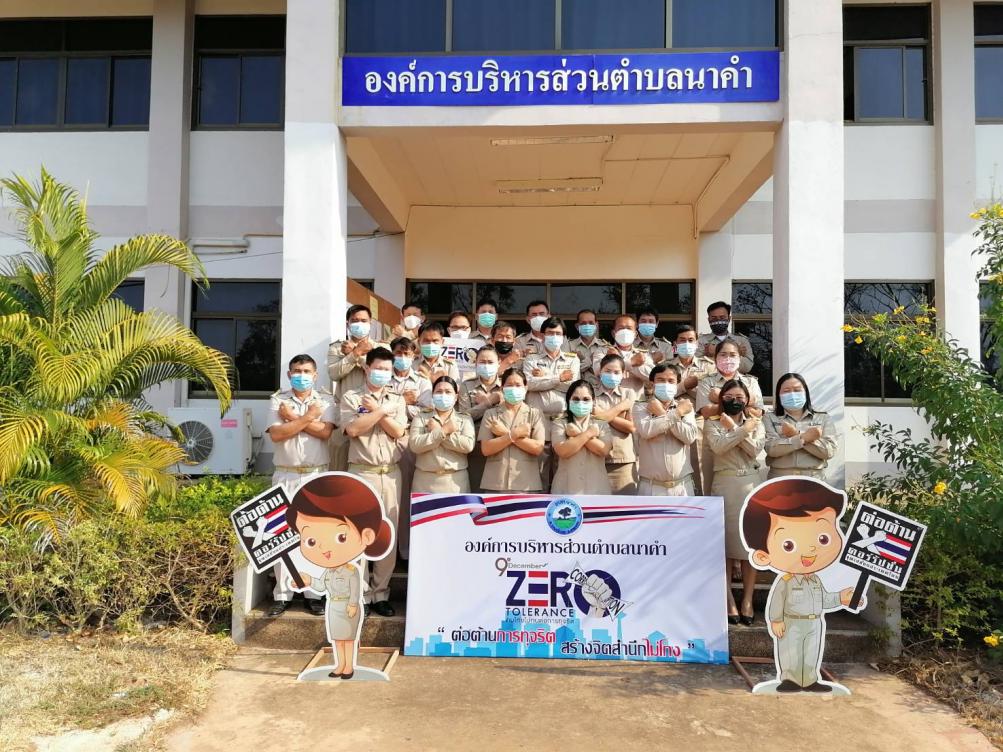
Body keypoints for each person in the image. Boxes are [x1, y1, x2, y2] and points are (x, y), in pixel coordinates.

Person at [742, 478, 861, 692]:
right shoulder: (786, 581)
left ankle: (810, 680)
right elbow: (777, 601)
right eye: (788, 545)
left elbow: (824, 599)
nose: (810, 550)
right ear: (762, 556)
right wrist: (776, 620)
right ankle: (790, 679)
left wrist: (841, 597)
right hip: (792, 623)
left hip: (814, 622)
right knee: (791, 652)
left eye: (823, 538)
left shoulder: (815, 580)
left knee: (811, 652)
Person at [284, 473, 394, 680]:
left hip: (347, 607)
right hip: (333, 607)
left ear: (367, 536)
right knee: (338, 639)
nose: (324, 547)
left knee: (349, 639)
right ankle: (340, 665)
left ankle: (348, 666)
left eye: (341, 537)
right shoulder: (330, 571)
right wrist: (308, 580)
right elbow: (321, 584)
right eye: (310, 541)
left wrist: (353, 603)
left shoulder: (351, 571)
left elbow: (355, 589)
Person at [265, 354, 337, 617]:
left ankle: (313, 594)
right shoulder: (278, 400)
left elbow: (325, 432)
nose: (301, 375)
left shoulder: (325, 399)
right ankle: (282, 594)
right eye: (297, 371)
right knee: (283, 535)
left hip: (316, 475)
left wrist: (293, 418)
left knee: (315, 535)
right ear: (289, 374)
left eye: (306, 371)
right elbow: (277, 434)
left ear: (315, 375)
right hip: (285, 474)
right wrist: (309, 418)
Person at [339, 347, 407, 617]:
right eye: (378, 368)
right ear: (367, 368)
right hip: (361, 472)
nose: (382, 373)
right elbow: (353, 429)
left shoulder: (396, 399)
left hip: (390, 473)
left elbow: (398, 431)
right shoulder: (351, 396)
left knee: (386, 533)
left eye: (387, 370)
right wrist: (381, 413)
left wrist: (377, 410)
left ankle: (381, 593)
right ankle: (361, 594)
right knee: (359, 535)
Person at [705, 379, 766, 627]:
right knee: (726, 546)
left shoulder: (757, 422)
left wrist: (737, 429)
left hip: (751, 485)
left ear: (747, 400)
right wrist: (739, 429)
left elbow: (754, 450)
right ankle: (728, 598)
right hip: (725, 484)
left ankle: (748, 599)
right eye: (729, 397)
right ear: (721, 399)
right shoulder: (712, 423)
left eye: (740, 397)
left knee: (749, 546)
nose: (735, 401)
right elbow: (719, 447)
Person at [695, 338, 764, 495]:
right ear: (715, 358)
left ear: (740, 358)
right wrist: (743, 401)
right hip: (717, 438)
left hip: (747, 436)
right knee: (712, 489)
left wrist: (719, 397)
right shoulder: (707, 382)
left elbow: (757, 412)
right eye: (723, 354)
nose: (728, 359)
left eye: (733, 355)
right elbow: (706, 412)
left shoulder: (750, 382)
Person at [327, 304, 388, 471]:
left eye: (363, 320)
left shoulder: (382, 348)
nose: (359, 324)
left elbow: (384, 373)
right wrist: (354, 354)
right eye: (354, 320)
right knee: (339, 467)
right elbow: (334, 374)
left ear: (371, 323)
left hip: (374, 412)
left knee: (369, 465)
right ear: (347, 323)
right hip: (345, 414)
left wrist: (357, 353)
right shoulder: (337, 347)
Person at [524, 316, 580, 491]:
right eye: (549, 333)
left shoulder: (572, 359)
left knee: (562, 468)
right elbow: (530, 384)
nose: (554, 336)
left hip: (562, 420)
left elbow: (573, 387)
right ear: (542, 335)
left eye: (558, 333)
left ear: (564, 337)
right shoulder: (531, 359)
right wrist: (558, 378)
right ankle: (537, 503)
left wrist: (545, 376)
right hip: (537, 420)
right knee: (538, 468)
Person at [388, 336, 431, 561]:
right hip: (382, 441)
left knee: (405, 499)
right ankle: (384, 551)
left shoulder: (422, 381)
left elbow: (426, 413)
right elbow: (374, 408)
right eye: (398, 353)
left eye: (407, 354)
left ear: (414, 356)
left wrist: (395, 405)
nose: (402, 357)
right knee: (387, 500)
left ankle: (404, 552)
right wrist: (404, 402)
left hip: (407, 440)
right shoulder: (382, 377)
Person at [633, 363, 700, 496]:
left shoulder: (685, 407)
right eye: (661, 380)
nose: (666, 384)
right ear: (652, 383)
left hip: (682, 486)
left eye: (671, 381)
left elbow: (689, 437)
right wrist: (677, 414)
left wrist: (662, 413)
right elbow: (646, 431)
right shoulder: (641, 407)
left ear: (677, 384)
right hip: (651, 487)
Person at [478, 368, 545, 492]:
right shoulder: (491, 414)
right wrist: (516, 434)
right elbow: (486, 449)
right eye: (509, 385)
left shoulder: (535, 414)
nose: (514, 389)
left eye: (518, 385)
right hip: (496, 483)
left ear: (525, 388)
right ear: (502, 388)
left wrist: (504, 433)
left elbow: (537, 448)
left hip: (526, 483)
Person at [409, 376, 476, 493]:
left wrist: (437, 431)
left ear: (456, 397)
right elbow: (415, 445)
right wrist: (444, 431)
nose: (443, 395)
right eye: (439, 392)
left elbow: (468, 446)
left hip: (455, 482)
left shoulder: (464, 419)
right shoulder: (421, 417)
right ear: (432, 395)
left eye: (448, 392)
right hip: (424, 482)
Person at [669, 324, 716, 494]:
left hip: (699, 420)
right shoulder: (666, 366)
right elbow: (659, 394)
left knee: (701, 470)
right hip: (673, 419)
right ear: (675, 344)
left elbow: (712, 396)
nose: (686, 343)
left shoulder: (709, 366)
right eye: (682, 340)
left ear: (697, 343)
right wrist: (685, 385)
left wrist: (684, 389)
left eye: (690, 340)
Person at [765, 373, 838, 480]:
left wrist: (795, 434)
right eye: (786, 391)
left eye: (797, 390)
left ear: (806, 393)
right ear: (778, 394)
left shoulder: (822, 417)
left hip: (814, 477)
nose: (792, 394)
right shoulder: (770, 417)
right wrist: (805, 438)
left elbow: (829, 452)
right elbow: (771, 449)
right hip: (780, 477)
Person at [551, 380, 613, 495]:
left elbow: (603, 450)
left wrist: (577, 434)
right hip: (566, 488)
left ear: (593, 401)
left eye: (586, 399)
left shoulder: (601, 423)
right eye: (576, 399)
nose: (581, 403)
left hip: (597, 489)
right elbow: (563, 451)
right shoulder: (559, 423)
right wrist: (589, 434)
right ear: (568, 400)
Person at [459, 345, 504, 491]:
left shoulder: (507, 385)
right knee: (476, 488)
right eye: (482, 362)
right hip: (476, 445)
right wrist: (488, 403)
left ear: (499, 363)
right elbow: (463, 417)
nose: (486, 365)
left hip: (501, 444)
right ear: (475, 363)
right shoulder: (467, 386)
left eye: (490, 362)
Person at [593, 353, 638, 495]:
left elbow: (631, 427)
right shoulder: (590, 393)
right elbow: (591, 423)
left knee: (626, 503)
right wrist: (620, 408)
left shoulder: (629, 394)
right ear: (600, 372)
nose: (612, 375)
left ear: (624, 374)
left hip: (623, 460)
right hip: (595, 458)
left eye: (616, 372)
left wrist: (602, 414)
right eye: (607, 371)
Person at [594, 314, 653, 394]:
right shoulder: (602, 351)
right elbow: (597, 371)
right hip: (608, 398)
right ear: (613, 333)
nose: (625, 331)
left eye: (629, 328)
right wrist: (631, 363)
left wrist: (614, 363)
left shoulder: (642, 355)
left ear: (635, 334)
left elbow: (651, 376)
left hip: (635, 400)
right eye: (621, 328)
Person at [698, 301, 754, 374]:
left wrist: (716, 352)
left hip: (734, 381)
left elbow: (747, 367)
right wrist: (735, 354)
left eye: (722, 317)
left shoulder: (741, 340)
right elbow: (697, 367)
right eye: (714, 318)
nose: (718, 320)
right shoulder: (701, 341)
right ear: (709, 320)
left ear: (729, 318)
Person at [569, 308, 608, 387]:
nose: (587, 325)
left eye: (591, 323)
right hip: (576, 390)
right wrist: (591, 361)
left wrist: (582, 360)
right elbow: (567, 371)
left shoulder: (604, 347)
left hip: (599, 390)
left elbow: (606, 372)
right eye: (583, 323)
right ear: (577, 326)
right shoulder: (569, 345)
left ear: (596, 325)